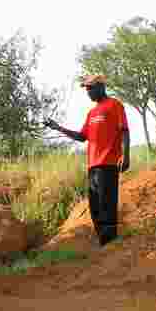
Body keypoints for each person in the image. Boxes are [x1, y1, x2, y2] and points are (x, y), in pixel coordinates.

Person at [44, 74, 130, 246]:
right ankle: (103, 243)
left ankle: (110, 243)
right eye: (86, 89)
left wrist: (125, 155)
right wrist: (58, 127)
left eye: (90, 88)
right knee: (95, 207)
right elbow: (82, 136)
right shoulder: (91, 113)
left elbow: (124, 131)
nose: (88, 92)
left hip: (109, 163)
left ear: (101, 87)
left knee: (107, 205)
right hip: (93, 165)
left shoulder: (115, 105)